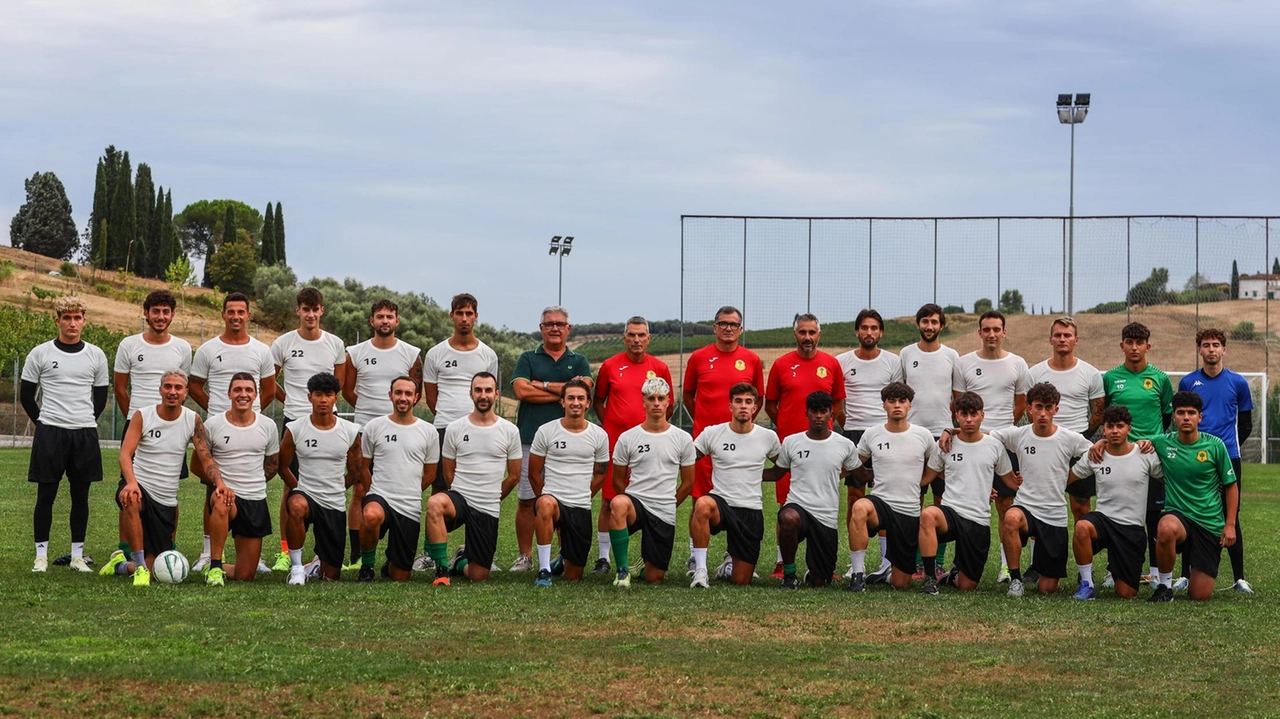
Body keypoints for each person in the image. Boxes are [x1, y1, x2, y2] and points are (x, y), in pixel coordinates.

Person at [189, 291, 277, 572]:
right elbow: (194, 386)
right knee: (213, 491)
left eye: (241, 312)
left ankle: (251, 552)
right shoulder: (208, 349)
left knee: (251, 486)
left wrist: (250, 410)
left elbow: (270, 388)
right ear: (224, 314)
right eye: (231, 312)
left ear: (248, 315)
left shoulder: (262, 351)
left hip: (251, 428)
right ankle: (209, 553)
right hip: (219, 427)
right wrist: (216, 409)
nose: (236, 317)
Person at [978, 382, 1092, 597]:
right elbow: (982, 436)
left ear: (1056, 410)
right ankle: (1015, 580)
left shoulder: (1069, 438)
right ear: (1029, 408)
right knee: (1010, 518)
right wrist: (951, 430)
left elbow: (1096, 451)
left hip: (1054, 515)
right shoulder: (1018, 434)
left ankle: (1049, 574)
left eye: (1049, 407)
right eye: (1038, 407)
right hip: (1026, 508)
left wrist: (1074, 474)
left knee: (1047, 589)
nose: (1043, 413)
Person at [22, 296, 109, 573]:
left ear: (84, 320)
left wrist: (82, 421)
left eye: (77, 318)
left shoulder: (96, 355)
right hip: (50, 434)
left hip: (84, 434)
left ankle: (77, 557)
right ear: (57, 320)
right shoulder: (40, 353)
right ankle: (41, 557)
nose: (72, 323)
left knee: (80, 497)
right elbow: (26, 396)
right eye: (67, 318)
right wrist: (45, 423)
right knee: (45, 496)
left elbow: (100, 398)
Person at [104, 369, 215, 585]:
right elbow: (125, 455)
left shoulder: (193, 420)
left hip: (165, 500)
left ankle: (121, 565)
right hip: (141, 485)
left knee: (158, 570)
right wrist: (131, 483)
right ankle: (139, 568)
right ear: (160, 390)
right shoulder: (143, 415)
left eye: (178, 387)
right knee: (131, 497)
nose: (172, 391)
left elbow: (206, 458)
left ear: (185, 393)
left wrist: (219, 483)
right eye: (168, 386)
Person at [416, 293, 499, 571]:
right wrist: (451, 420)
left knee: (475, 489)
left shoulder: (487, 354)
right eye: (459, 313)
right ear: (451, 316)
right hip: (445, 428)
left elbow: (491, 389)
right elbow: (431, 397)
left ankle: (470, 548)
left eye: (469, 313)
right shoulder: (437, 353)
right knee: (441, 487)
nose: (464, 318)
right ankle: (430, 553)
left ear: (476, 316)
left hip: (481, 431)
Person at [268, 287, 347, 572]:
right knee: (292, 486)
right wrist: (288, 398)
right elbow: (269, 379)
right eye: (305, 309)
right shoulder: (283, 343)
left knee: (330, 484)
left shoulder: (335, 344)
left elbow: (337, 386)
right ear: (298, 311)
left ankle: (325, 550)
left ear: (321, 311)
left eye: (315, 309)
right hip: (295, 422)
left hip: (329, 425)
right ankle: (285, 551)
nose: (310, 314)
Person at [111, 289, 193, 560]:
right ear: (146, 313)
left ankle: (169, 545)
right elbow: (121, 388)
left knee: (171, 487)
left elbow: (183, 386)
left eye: (165, 312)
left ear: (172, 315)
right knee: (128, 488)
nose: (160, 316)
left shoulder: (181, 347)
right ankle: (124, 551)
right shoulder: (129, 344)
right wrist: (135, 418)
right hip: (138, 424)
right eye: (155, 311)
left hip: (172, 428)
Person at [681, 306, 766, 569]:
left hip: (740, 444)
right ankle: (697, 556)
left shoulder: (751, 359)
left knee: (736, 499)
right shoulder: (698, 357)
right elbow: (688, 395)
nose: (728, 328)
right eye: (722, 323)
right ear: (714, 328)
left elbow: (759, 398)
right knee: (700, 498)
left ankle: (732, 555)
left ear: (741, 329)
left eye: (733, 324)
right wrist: (706, 426)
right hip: (707, 443)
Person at [342, 299, 423, 569]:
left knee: (398, 486)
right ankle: (357, 556)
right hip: (364, 431)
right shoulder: (355, 352)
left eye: (389, 316)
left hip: (400, 433)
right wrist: (371, 413)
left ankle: (395, 548)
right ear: (371, 321)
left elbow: (416, 389)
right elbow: (348, 390)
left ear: (397, 321)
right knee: (359, 489)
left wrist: (393, 419)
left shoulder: (411, 353)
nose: (384, 321)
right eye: (379, 316)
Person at [511, 306, 593, 572]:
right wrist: (564, 390)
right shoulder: (527, 357)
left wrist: (542, 384)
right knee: (527, 500)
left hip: (569, 443)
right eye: (549, 324)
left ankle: (562, 555)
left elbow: (584, 389)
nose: (555, 328)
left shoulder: (579, 359)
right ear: (541, 328)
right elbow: (521, 391)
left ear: (568, 329)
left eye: (560, 324)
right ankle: (525, 556)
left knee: (564, 501)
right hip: (530, 438)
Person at [765, 313, 846, 578]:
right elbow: (771, 405)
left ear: (819, 335)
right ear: (795, 334)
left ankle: (821, 561)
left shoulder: (831, 364)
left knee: (824, 500)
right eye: (802, 332)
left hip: (825, 449)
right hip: (791, 450)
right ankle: (781, 563)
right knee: (786, 505)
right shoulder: (781, 364)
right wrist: (790, 431)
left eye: (812, 332)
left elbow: (838, 403)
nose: (807, 337)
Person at [951, 309, 1029, 583]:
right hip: (972, 443)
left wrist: (999, 433)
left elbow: (1020, 405)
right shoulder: (964, 363)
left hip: (1004, 444)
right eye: (987, 329)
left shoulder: (1018, 363)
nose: (992, 334)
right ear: (980, 332)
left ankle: (1007, 566)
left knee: (1006, 506)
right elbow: (959, 403)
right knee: (964, 502)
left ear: (1004, 332)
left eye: (997, 329)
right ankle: (957, 565)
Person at [593, 316, 674, 575]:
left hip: (649, 449)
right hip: (616, 444)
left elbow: (667, 404)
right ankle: (604, 559)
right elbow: (599, 400)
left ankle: (647, 556)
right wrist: (612, 426)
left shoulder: (660, 367)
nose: (637, 340)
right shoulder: (610, 366)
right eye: (631, 335)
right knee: (610, 501)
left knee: (648, 499)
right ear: (624, 338)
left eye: (641, 335)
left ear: (649, 338)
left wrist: (653, 433)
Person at [424, 372, 522, 585]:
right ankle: (441, 570)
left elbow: (514, 476)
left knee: (479, 575)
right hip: (459, 498)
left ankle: (459, 560)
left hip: (488, 506)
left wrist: (493, 497)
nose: (483, 395)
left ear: (496, 394)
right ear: (471, 394)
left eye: (488, 390)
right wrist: (460, 494)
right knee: (435, 503)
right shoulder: (455, 428)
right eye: (478, 390)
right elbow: (448, 472)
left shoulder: (510, 431)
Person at [918, 392, 1018, 594]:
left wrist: (1033, 481)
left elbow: (1011, 482)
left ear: (983, 415)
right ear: (956, 416)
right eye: (964, 414)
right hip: (951, 512)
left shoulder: (995, 446)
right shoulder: (946, 444)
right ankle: (930, 578)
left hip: (978, 520)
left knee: (967, 586)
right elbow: (926, 478)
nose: (969, 419)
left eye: (974, 414)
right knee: (928, 514)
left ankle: (954, 574)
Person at [1176, 328, 1252, 594]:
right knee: (1191, 513)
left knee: (1232, 515)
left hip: (1227, 456)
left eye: (1216, 345)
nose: (1211, 349)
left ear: (1224, 350)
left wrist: (1222, 452)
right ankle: (1185, 575)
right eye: (1206, 345)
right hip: (1193, 458)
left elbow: (1245, 425)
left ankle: (1239, 578)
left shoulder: (1238, 383)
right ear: (1200, 350)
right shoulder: (1188, 382)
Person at [1148, 392, 1238, 602]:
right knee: (1165, 527)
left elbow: (1231, 486)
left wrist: (1230, 524)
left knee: (1200, 595)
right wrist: (1101, 444)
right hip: (1179, 516)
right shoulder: (1161, 443)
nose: (1186, 417)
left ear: (1200, 417)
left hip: (1208, 522)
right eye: (1181, 413)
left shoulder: (1215, 446)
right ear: (1174, 417)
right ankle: (1165, 586)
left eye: (1191, 413)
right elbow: (1130, 445)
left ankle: (1195, 567)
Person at [847, 382, 937, 592]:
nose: (897, 405)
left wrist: (922, 482)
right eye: (892, 401)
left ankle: (887, 575)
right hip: (880, 503)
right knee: (859, 507)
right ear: (884, 405)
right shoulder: (871, 434)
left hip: (908, 511)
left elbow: (938, 466)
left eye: (902, 401)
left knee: (901, 583)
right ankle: (857, 575)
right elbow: (854, 464)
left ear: (910, 405)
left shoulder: (923, 435)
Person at [764, 391, 859, 589]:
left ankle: (814, 571)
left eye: (823, 411)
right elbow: (776, 473)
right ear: (806, 413)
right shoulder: (792, 442)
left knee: (820, 582)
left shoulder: (845, 445)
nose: (818, 416)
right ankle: (789, 575)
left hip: (826, 517)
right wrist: (743, 472)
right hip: (798, 506)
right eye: (814, 411)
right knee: (788, 517)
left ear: (831, 415)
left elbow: (861, 472)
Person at [192, 373, 280, 584]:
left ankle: (217, 568)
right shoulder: (213, 425)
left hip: (255, 499)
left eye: (248, 390)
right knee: (222, 501)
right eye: (238, 390)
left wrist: (254, 481)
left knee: (245, 575)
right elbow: (196, 465)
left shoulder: (268, 426)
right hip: (226, 496)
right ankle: (214, 565)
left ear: (256, 395)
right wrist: (218, 485)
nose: (243, 394)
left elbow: (272, 465)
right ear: (229, 393)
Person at [1102, 322, 1173, 586]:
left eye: (1139, 343)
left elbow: (1166, 417)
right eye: (1129, 342)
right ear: (1122, 345)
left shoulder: (1160, 378)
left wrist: (1151, 440)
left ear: (1148, 346)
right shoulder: (1110, 378)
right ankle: (1113, 570)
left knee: (1153, 516)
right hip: (1119, 456)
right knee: (1116, 514)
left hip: (1149, 456)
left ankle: (1155, 574)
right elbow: (1106, 416)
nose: (1134, 347)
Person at [689, 382, 781, 587]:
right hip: (720, 503)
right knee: (702, 504)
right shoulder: (713, 433)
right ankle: (701, 570)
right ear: (730, 406)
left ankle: (728, 564)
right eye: (738, 401)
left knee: (741, 580)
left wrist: (753, 474)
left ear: (755, 407)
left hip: (750, 509)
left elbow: (780, 468)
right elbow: (688, 458)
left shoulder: (768, 437)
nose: (743, 406)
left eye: (748, 402)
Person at [835, 308, 903, 583]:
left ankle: (887, 562)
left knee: (886, 497)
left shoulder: (892, 362)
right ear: (857, 331)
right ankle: (857, 563)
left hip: (884, 435)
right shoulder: (842, 361)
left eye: (874, 328)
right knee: (854, 497)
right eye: (864, 328)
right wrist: (848, 424)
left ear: (881, 332)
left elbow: (898, 397)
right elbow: (838, 401)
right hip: (854, 433)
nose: (869, 332)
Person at [607, 377, 696, 588]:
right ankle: (622, 571)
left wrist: (669, 503)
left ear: (668, 403)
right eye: (651, 398)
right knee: (618, 503)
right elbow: (617, 479)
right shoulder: (628, 437)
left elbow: (688, 483)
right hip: (636, 504)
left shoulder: (683, 438)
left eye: (661, 398)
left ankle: (645, 565)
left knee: (654, 578)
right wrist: (629, 498)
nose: (656, 403)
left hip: (663, 508)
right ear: (643, 402)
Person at [1068, 406, 1164, 600]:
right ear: (1103, 429)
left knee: (1126, 593)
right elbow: (1066, 479)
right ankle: (1087, 585)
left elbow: (1171, 479)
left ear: (1129, 428)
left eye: (1120, 426)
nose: (1114, 431)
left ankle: (1118, 566)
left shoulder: (1145, 453)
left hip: (1131, 529)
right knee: (1082, 527)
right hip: (1104, 521)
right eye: (1109, 426)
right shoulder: (1095, 455)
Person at [278, 372, 362, 585]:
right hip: (306, 496)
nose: (323, 400)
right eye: (318, 394)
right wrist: (297, 488)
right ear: (309, 398)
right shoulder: (295, 428)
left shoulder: (350, 431)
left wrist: (338, 487)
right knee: (296, 505)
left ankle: (315, 565)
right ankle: (297, 568)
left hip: (334, 502)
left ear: (336, 398)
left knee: (331, 576)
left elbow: (355, 471)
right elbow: (282, 465)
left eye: (328, 394)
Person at [356, 376, 439, 582]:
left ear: (416, 398)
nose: (403, 398)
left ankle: (391, 563)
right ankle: (366, 566)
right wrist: (372, 492)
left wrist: (410, 490)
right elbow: (363, 467)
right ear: (390, 395)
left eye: (408, 393)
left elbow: (430, 473)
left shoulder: (428, 431)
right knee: (371, 515)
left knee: (400, 576)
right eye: (398, 392)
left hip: (409, 505)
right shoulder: (374, 427)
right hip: (380, 497)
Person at [528, 378, 610, 586]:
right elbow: (534, 473)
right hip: (552, 500)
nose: (576, 402)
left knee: (574, 576)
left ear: (588, 403)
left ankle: (560, 562)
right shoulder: (546, 431)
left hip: (580, 505)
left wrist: (584, 494)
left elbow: (600, 474)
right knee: (546, 505)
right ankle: (544, 570)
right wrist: (544, 499)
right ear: (562, 402)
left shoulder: (599, 435)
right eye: (570, 398)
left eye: (580, 398)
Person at [899, 303, 959, 577]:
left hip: (943, 435)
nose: (929, 326)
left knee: (942, 499)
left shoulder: (952, 356)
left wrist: (952, 428)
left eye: (934, 322)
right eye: (925, 321)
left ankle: (937, 561)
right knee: (914, 497)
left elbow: (958, 399)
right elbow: (899, 393)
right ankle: (916, 561)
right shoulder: (906, 354)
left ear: (941, 325)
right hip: (912, 434)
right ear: (918, 324)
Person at [1027, 317, 1104, 525]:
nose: (1062, 339)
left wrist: (1082, 435)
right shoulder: (1034, 373)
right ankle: (1038, 557)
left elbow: (1098, 411)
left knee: (1080, 507)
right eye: (1058, 335)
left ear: (1076, 340)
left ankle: (1083, 558)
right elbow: (1029, 411)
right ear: (1050, 339)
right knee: (1039, 507)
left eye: (1067, 335)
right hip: (1044, 444)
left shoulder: (1091, 373)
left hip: (1077, 444)